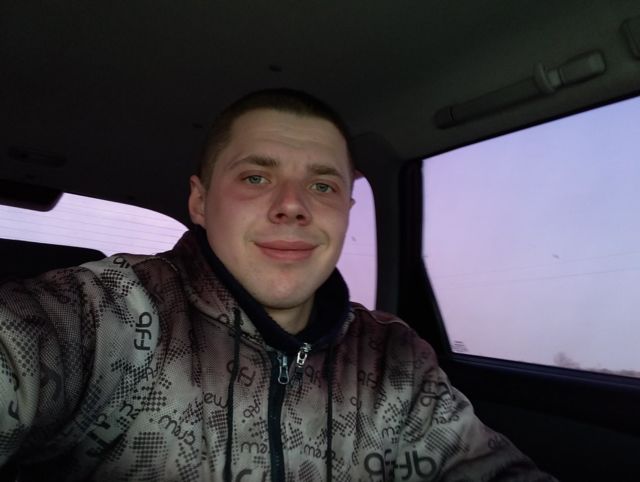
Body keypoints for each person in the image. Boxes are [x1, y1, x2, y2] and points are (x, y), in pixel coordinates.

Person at [0, 89, 556, 481]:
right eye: (256, 177)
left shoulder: (394, 358)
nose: (292, 205)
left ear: (347, 209)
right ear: (200, 201)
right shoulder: (103, 315)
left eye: (322, 185)